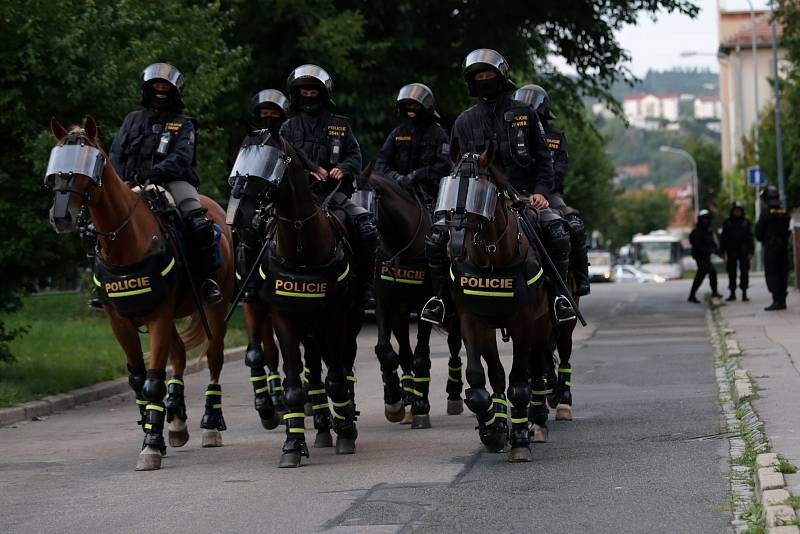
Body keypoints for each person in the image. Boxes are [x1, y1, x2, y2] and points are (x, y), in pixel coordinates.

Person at [421, 48, 576, 325]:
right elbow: (453, 169)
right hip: (476, 202)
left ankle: (558, 298)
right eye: (478, 76)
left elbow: (544, 160)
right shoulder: (464, 120)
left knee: (557, 230)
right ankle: (441, 300)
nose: (484, 79)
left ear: (501, 77)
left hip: (525, 198)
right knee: (436, 239)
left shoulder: (524, 113)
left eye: (488, 74)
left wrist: (540, 192)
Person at [109, 62, 221, 304]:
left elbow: (182, 157)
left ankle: (207, 279)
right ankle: (103, 284)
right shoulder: (132, 120)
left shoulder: (184, 123)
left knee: (198, 221)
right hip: (130, 183)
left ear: (174, 92)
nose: (160, 90)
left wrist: (154, 173)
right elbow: (115, 153)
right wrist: (120, 181)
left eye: (165, 86)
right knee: (100, 220)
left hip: (173, 182)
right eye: (155, 86)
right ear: (147, 90)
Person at [279, 64, 376, 308]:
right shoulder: (287, 128)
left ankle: (365, 286)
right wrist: (308, 170)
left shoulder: (340, 125)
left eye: (313, 91)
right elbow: (279, 159)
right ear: (296, 95)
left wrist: (342, 168)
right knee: (258, 222)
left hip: (332, 194)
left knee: (365, 226)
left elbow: (355, 155)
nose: (308, 96)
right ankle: (254, 285)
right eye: (304, 91)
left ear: (323, 94)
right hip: (296, 194)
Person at [512, 83, 590, 296]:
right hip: (515, 193)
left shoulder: (555, 137)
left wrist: (542, 193)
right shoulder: (510, 134)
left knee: (573, 225)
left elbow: (559, 170)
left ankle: (576, 282)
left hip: (549, 193)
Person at [236, 89, 291, 303]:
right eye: (264, 113)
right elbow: (240, 169)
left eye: (273, 113)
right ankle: (246, 282)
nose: (268, 117)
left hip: (284, 195)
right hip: (256, 197)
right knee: (242, 229)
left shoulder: (287, 137)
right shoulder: (250, 139)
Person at [374, 83, 451, 208]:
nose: (411, 109)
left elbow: (444, 166)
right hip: (398, 191)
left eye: (415, 105)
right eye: (408, 105)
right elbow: (381, 163)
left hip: (430, 195)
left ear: (425, 107)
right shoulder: (398, 133)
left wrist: (417, 175)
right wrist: (396, 177)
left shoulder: (438, 134)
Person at [756, 186, 791, 311]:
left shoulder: (766, 214)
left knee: (772, 273)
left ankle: (777, 300)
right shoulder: (784, 212)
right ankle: (782, 299)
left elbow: (759, 232)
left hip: (771, 248)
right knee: (782, 272)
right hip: (783, 247)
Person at [719, 201, 753, 302]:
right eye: (735, 211)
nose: (737, 212)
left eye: (739, 210)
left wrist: (751, 251)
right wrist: (722, 251)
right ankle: (732, 293)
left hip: (743, 251)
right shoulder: (727, 223)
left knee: (744, 272)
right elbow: (723, 238)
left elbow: (750, 238)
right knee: (731, 273)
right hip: (731, 250)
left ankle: (744, 293)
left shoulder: (746, 222)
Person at [688, 209, 722, 303]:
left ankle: (692, 295)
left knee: (700, 276)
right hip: (700, 257)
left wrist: (717, 251)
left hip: (706, 257)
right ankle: (714, 292)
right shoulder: (696, 232)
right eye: (703, 219)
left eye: (707, 219)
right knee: (712, 271)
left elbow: (713, 244)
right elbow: (698, 246)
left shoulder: (708, 232)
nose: (705, 221)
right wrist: (709, 250)